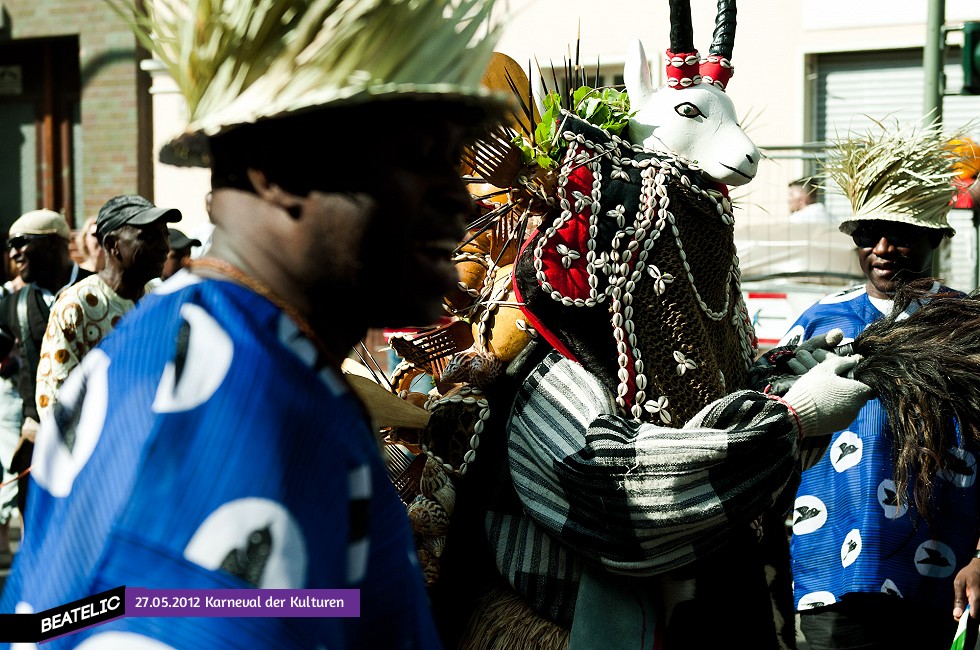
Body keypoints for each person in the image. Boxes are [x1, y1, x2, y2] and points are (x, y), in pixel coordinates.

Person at [0, 0, 509, 648]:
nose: (460, 195)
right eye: (421, 155)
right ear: (280, 167)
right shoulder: (214, 413)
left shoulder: (265, 368)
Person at [778, 122, 980, 650]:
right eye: (869, 234)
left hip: (940, 582)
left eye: (902, 233)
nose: (884, 248)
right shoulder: (820, 322)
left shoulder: (965, 326)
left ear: (934, 238)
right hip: (828, 580)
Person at [35, 195, 178, 423]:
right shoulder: (76, 305)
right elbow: (54, 400)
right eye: (149, 237)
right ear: (113, 245)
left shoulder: (160, 298)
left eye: (165, 235)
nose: (165, 248)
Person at [0, 209, 92, 522]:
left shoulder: (95, 290)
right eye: (10, 245)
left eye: (21, 243)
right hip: (36, 438)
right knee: (37, 527)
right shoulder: (14, 303)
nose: (13, 254)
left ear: (54, 243)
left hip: (91, 432)